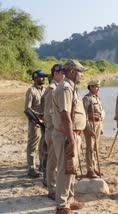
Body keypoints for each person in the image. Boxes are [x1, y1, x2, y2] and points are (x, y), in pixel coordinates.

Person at [52, 60, 87, 214]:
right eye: (80, 71)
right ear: (72, 72)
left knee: (71, 168)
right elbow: (65, 115)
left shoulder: (71, 88)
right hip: (66, 134)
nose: (82, 74)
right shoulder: (65, 88)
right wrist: (72, 140)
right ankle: (61, 206)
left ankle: (69, 199)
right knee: (64, 169)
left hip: (72, 134)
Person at [42, 64, 65, 200]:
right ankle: (51, 188)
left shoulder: (58, 88)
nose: (63, 75)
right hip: (52, 130)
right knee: (53, 160)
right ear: (55, 74)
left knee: (56, 159)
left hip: (56, 129)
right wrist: (56, 127)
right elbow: (49, 113)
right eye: (61, 73)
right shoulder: (52, 89)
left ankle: (55, 186)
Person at [24, 70, 48, 178]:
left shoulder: (46, 90)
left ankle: (42, 166)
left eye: (44, 77)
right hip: (35, 122)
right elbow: (27, 109)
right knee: (32, 146)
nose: (43, 78)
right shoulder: (31, 90)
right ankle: (31, 169)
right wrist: (37, 120)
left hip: (45, 122)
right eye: (41, 77)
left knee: (43, 145)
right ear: (35, 77)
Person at [83, 79, 105, 178]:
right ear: (91, 87)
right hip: (90, 124)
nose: (98, 88)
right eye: (96, 86)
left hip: (98, 123)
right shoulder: (87, 98)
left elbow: (101, 112)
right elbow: (84, 115)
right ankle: (90, 169)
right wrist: (88, 128)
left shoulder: (97, 98)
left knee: (95, 148)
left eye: (98, 86)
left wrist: (101, 126)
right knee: (90, 148)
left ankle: (95, 167)